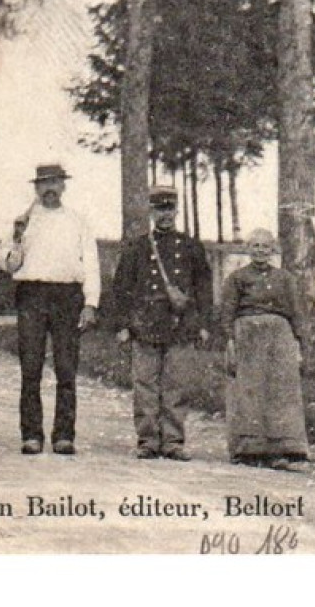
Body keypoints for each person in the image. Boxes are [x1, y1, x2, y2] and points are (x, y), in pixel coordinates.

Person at [0, 163, 100, 456]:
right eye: (43, 184)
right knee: (31, 368)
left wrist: (91, 303)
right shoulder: (23, 222)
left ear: (64, 186)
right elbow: (8, 264)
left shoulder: (78, 221)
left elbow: (91, 264)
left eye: (54, 182)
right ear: (36, 188)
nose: (49, 189)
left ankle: (64, 436)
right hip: (31, 294)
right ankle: (31, 435)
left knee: (66, 368)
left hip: (68, 296)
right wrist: (17, 238)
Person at [107, 186, 213, 460]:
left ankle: (173, 441)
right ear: (151, 212)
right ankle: (148, 440)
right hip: (145, 323)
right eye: (158, 209)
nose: (164, 215)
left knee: (176, 384)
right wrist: (122, 324)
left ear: (176, 210)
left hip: (181, 323)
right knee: (145, 383)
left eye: (169, 209)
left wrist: (203, 323)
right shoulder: (138, 247)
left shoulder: (191, 246)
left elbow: (203, 287)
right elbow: (122, 287)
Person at [221, 228, 309, 470]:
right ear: (249, 249)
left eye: (265, 246)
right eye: (255, 246)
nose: (260, 251)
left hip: (279, 337)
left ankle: (284, 448)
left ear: (273, 250)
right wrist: (230, 340)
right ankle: (249, 448)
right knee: (249, 389)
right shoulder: (237, 278)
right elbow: (227, 311)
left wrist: (299, 341)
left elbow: (296, 311)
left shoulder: (285, 279)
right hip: (247, 336)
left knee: (280, 391)